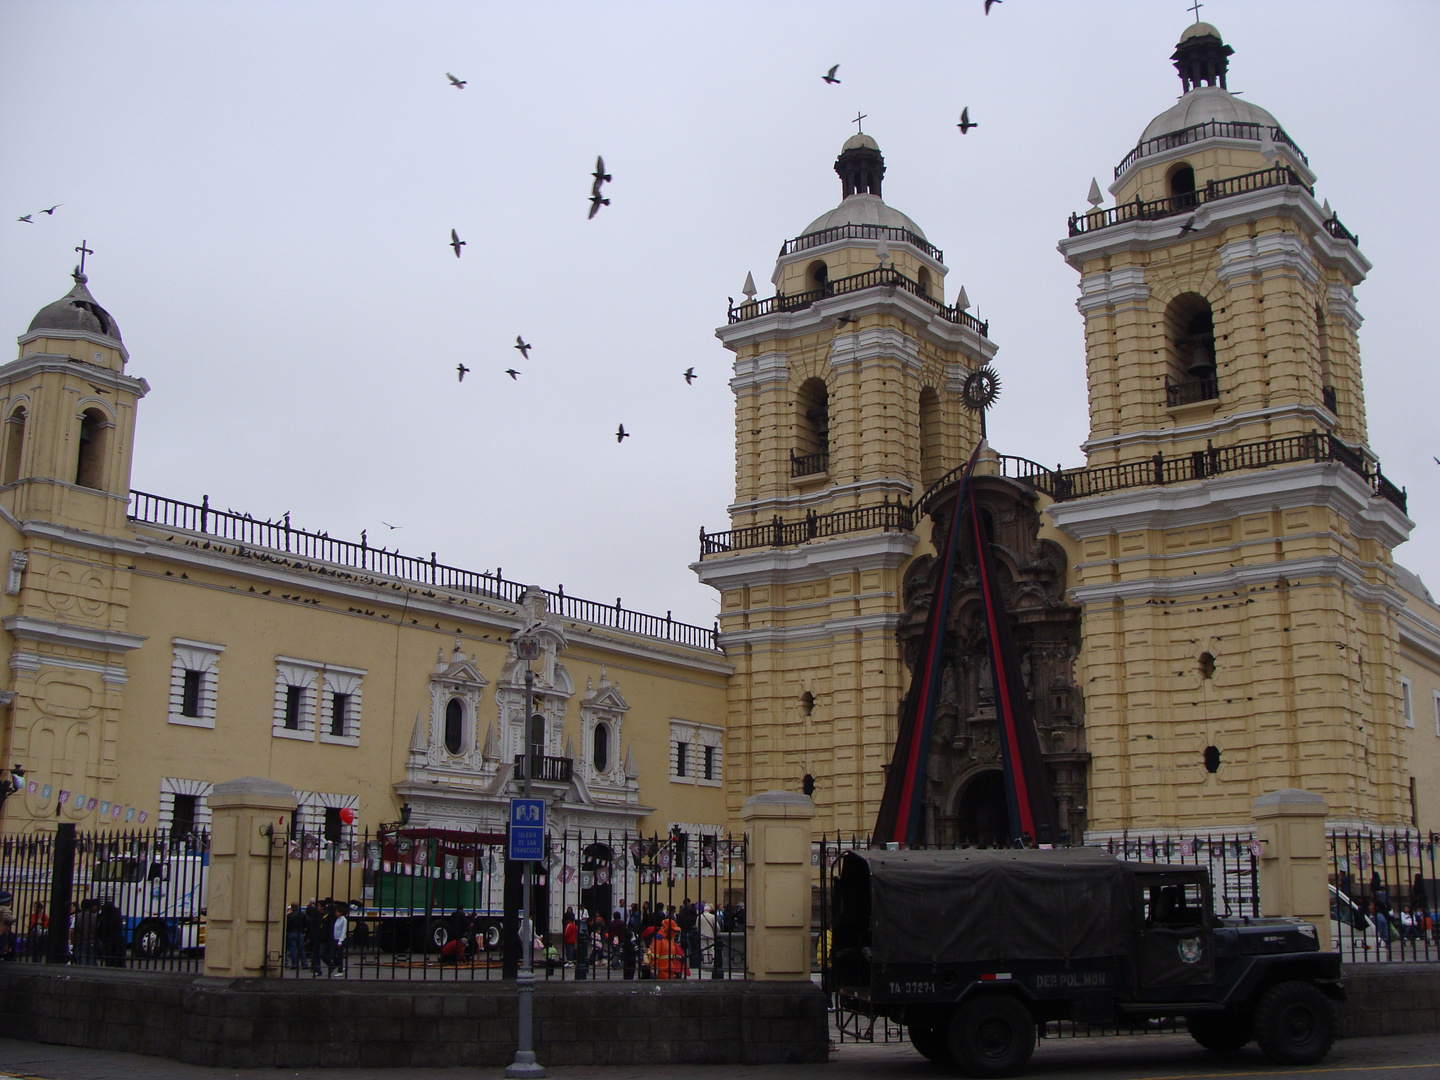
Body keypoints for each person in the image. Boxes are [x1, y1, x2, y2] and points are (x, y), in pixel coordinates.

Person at [97, 899, 125, 967]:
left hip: (108, 941)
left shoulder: (104, 918)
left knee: (109, 960)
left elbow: (100, 930)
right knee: (119, 958)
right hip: (119, 940)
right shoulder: (118, 916)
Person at [73, 899, 99, 966]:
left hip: (80, 941)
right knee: (91, 960)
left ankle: (81, 975)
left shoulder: (77, 916)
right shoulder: (95, 917)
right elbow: (97, 929)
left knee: (81, 960)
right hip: (91, 941)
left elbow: (74, 929)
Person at [284, 903, 308, 972]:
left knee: (293, 949)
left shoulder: (290, 915)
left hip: (291, 933)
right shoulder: (303, 914)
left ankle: (294, 964)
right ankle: (304, 964)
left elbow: (287, 925)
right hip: (300, 933)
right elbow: (307, 923)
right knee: (301, 949)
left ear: (292, 907)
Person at [304, 899, 323, 977]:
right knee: (316, 954)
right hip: (315, 937)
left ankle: (330, 965)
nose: (316, 907)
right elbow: (311, 927)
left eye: (318, 905)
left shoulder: (323, 916)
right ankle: (316, 968)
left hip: (321, 938)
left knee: (319, 953)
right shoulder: (315, 915)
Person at [328, 902, 348, 977]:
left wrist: (340, 941)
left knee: (339, 955)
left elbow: (343, 931)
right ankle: (339, 965)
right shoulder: (337, 919)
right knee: (332, 954)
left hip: (340, 940)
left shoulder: (343, 920)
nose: (335, 913)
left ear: (341, 912)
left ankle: (340, 970)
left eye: (337, 912)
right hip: (335, 939)